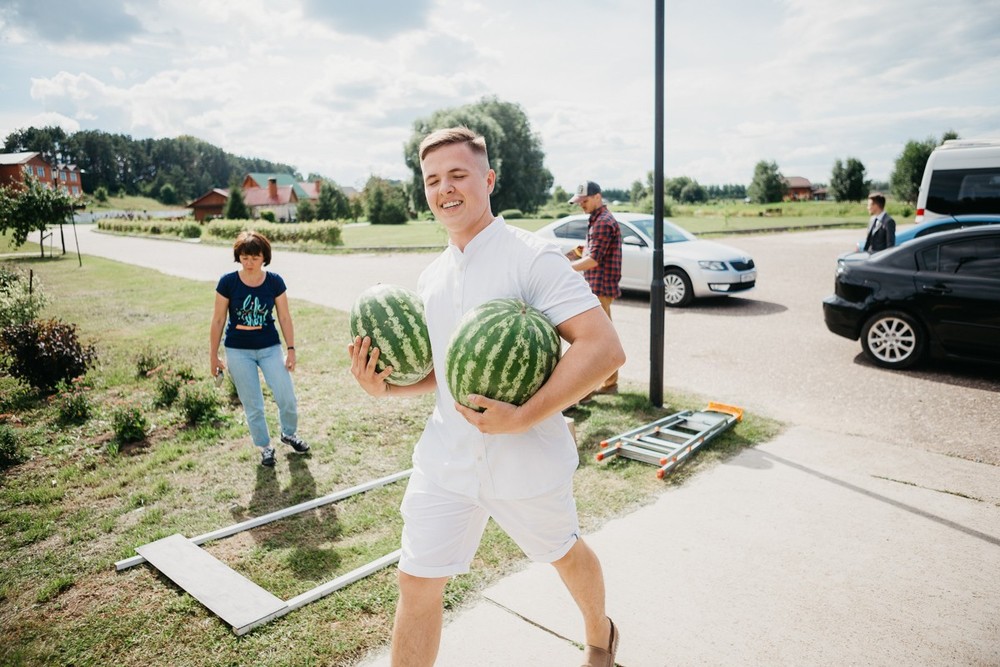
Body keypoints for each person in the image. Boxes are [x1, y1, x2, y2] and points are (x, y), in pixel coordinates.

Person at [348, 127, 625, 667]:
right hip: (446, 460)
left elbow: (603, 348)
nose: (445, 189)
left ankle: (600, 635)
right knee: (416, 580)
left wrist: (523, 417)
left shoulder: (533, 257)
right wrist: (386, 386)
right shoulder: (430, 278)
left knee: (564, 554)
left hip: (524, 457)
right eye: (433, 180)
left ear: (488, 179)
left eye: (458, 175)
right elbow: (447, 374)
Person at [210, 230, 309, 467]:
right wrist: (213, 356)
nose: (250, 262)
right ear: (238, 257)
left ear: (264, 257)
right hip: (238, 350)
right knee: (253, 404)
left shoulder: (274, 281)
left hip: (269, 347)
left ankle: (289, 433)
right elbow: (217, 320)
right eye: (245, 257)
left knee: (286, 395)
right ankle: (265, 447)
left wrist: (291, 349)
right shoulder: (228, 282)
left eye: (255, 257)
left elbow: (284, 317)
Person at [567, 181, 622, 396]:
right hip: (599, 287)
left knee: (597, 340)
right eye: (579, 202)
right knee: (603, 337)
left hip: (600, 287)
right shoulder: (598, 219)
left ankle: (599, 386)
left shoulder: (602, 222)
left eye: (585, 201)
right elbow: (592, 251)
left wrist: (565, 267)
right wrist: (575, 252)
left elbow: (594, 260)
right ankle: (609, 383)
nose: (582, 205)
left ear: (597, 197)